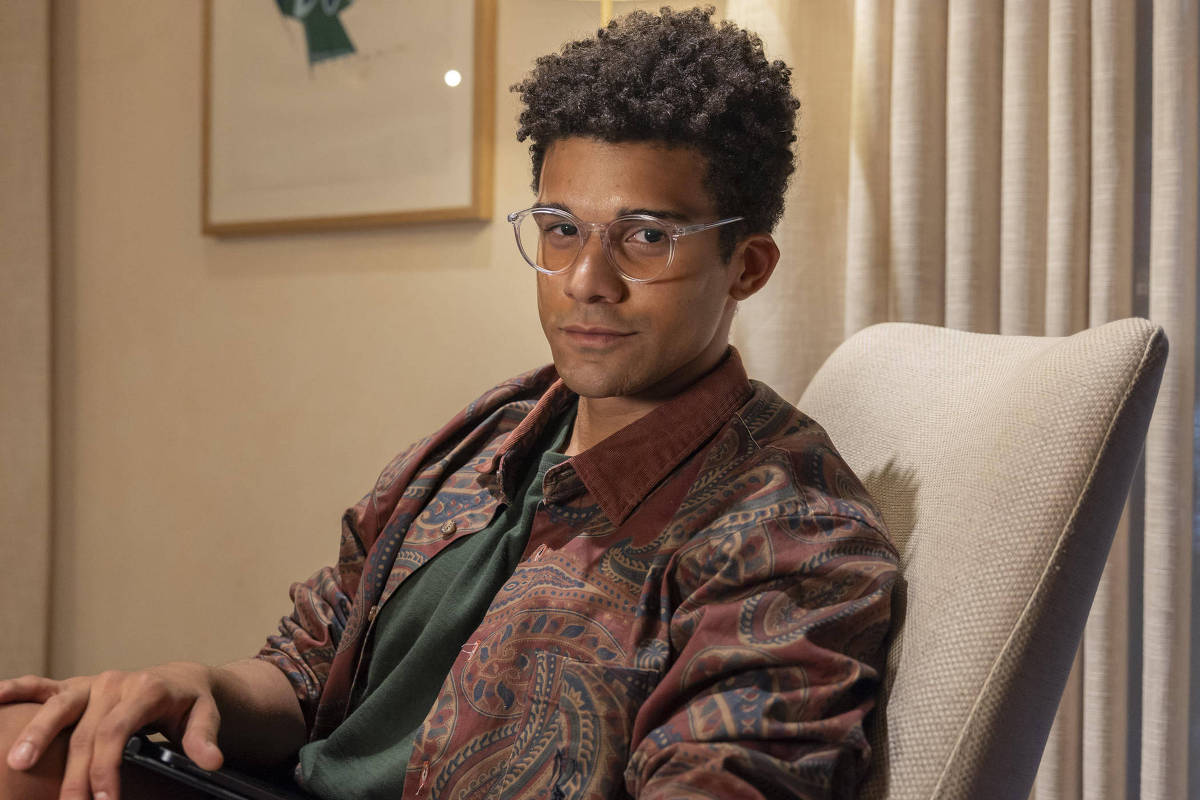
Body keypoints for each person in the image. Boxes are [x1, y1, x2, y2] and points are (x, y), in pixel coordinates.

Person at [0, 8, 898, 800]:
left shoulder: (790, 535)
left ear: (747, 266)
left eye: (646, 237)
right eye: (560, 229)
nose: (586, 280)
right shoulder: (496, 432)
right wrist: (197, 685)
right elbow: (311, 666)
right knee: (23, 740)